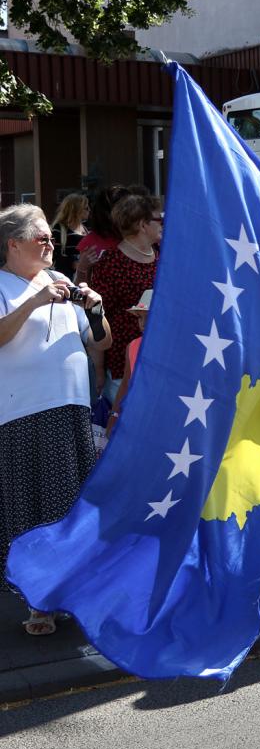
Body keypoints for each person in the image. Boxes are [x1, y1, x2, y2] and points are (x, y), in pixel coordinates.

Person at [0, 204, 111, 635]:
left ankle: (71, 594)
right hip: (22, 413)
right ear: (13, 244)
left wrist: (96, 309)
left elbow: (100, 342)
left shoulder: (61, 280)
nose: (50, 244)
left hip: (70, 409)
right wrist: (35, 300)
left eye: (50, 236)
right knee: (31, 511)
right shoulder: (5, 286)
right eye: (41, 238)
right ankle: (39, 604)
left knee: (69, 510)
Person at [86, 194, 161, 404]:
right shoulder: (111, 263)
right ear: (142, 225)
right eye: (158, 219)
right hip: (124, 362)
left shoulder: (163, 255)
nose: (163, 223)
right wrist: (99, 369)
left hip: (161, 357)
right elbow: (97, 317)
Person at [104, 288, 152, 437]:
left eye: (149, 317)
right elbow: (125, 384)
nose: (143, 323)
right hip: (135, 412)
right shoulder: (132, 346)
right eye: (140, 317)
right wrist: (114, 416)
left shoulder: (171, 349)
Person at [50, 193, 90, 279]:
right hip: (68, 277)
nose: (89, 210)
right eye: (86, 208)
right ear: (76, 210)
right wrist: (73, 263)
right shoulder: (59, 228)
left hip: (85, 275)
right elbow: (54, 255)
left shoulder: (86, 228)